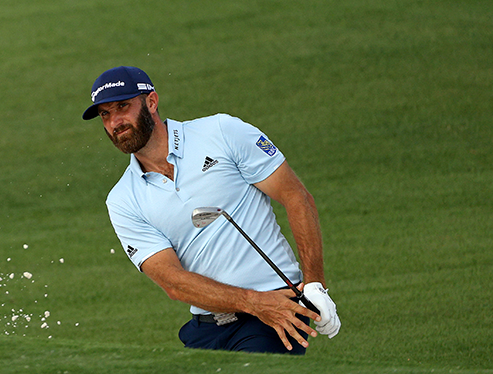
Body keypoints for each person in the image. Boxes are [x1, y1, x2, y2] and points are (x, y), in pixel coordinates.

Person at [82, 66, 341, 353]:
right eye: (105, 114)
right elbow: (173, 282)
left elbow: (297, 197)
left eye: (123, 106)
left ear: (152, 102)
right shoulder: (122, 199)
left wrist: (315, 284)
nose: (115, 121)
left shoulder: (221, 132)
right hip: (205, 329)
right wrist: (253, 302)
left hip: (274, 315)